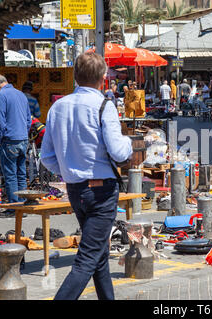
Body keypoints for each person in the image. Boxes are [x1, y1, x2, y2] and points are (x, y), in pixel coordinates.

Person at [41, 52, 133, 300]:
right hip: (101, 191)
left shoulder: (57, 107)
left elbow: (47, 156)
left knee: (98, 253)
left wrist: (69, 171)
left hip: (75, 189)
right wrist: (129, 143)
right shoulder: (104, 106)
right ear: (104, 79)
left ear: (75, 76)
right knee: (88, 257)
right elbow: (118, 150)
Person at [0, 74, 31, 203]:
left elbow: (0, 121)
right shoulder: (21, 94)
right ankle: (22, 203)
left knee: (11, 175)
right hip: (23, 139)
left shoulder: (1, 95)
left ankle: (14, 206)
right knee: (21, 174)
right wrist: (24, 133)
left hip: (9, 140)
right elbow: (29, 119)